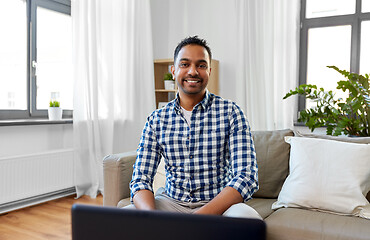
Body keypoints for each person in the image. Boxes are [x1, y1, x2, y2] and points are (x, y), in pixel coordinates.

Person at [128, 36, 261, 219]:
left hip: (218, 205)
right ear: (174, 71)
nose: (193, 71)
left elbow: (246, 177)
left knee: (249, 220)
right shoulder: (156, 119)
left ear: (209, 71)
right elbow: (140, 179)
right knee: (123, 218)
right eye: (184, 64)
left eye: (201, 65)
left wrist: (196, 219)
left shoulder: (231, 113)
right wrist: (152, 221)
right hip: (170, 203)